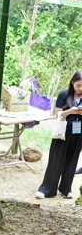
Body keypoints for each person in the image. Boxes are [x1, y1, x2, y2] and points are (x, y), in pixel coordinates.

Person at [35, 71, 82, 199]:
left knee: (72, 160)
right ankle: (47, 189)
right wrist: (71, 111)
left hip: (78, 132)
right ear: (72, 83)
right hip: (63, 130)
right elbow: (57, 114)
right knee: (56, 159)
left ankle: (66, 188)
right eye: (78, 85)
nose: (80, 89)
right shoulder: (64, 94)